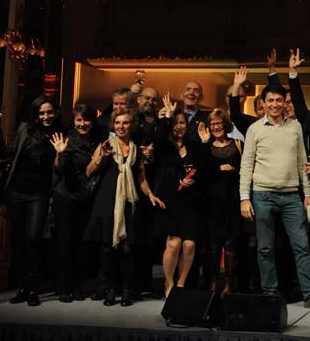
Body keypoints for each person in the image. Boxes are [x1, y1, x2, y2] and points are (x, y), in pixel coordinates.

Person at [239, 84, 310, 310]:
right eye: (270, 100)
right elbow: (246, 164)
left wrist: (307, 193)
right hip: (262, 194)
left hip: (292, 196)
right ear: (263, 103)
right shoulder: (254, 129)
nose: (274, 104)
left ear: (284, 102)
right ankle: (270, 294)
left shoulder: (295, 126)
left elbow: (302, 161)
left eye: (278, 100)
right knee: (265, 248)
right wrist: (244, 198)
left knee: (302, 246)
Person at [84, 108, 163, 306]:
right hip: (107, 202)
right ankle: (110, 290)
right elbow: (88, 171)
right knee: (107, 249)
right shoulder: (106, 145)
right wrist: (101, 157)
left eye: (125, 122)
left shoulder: (136, 149)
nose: (121, 126)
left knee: (128, 249)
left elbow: (141, 178)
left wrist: (150, 194)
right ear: (113, 125)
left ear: (132, 126)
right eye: (117, 123)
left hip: (129, 203)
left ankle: (127, 290)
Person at [0, 95, 63, 306]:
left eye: (49, 112)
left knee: (33, 239)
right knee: (19, 240)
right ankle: (22, 287)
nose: (46, 116)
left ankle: (33, 289)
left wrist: (60, 153)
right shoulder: (25, 130)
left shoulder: (59, 134)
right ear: (36, 115)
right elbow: (7, 155)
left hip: (39, 193)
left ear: (55, 113)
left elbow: (58, 170)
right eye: (42, 113)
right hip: (16, 191)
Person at [152, 94, 206, 297]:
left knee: (189, 245)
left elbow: (202, 168)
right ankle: (169, 283)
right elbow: (159, 137)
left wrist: (194, 179)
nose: (179, 127)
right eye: (175, 123)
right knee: (173, 243)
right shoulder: (164, 145)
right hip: (170, 198)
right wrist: (167, 117)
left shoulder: (193, 145)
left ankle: (181, 285)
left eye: (182, 123)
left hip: (190, 200)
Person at [51, 103, 104, 302]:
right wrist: (59, 153)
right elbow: (58, 169)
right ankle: (64, 288)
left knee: (83, 243)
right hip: (66, 196)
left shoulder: (98, 140)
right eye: (79, 120)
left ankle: (79, 286)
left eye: (86, 119)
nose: (82, 124)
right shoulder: (68, 141)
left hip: (86, 196)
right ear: (74, 122)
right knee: (66, 242)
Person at [203, 109, 245, 295]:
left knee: (231, 244)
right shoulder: (206, 147)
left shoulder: (238, 144)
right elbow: (202, 171)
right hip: (212, 203)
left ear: (225, 125)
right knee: (213, 245)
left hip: (233, 201)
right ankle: (213, 282)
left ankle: (229, 282)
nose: (216, 127)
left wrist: (233, 170)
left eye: (219, 123)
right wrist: (204, 143)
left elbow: (246, 170)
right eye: (213, 124)